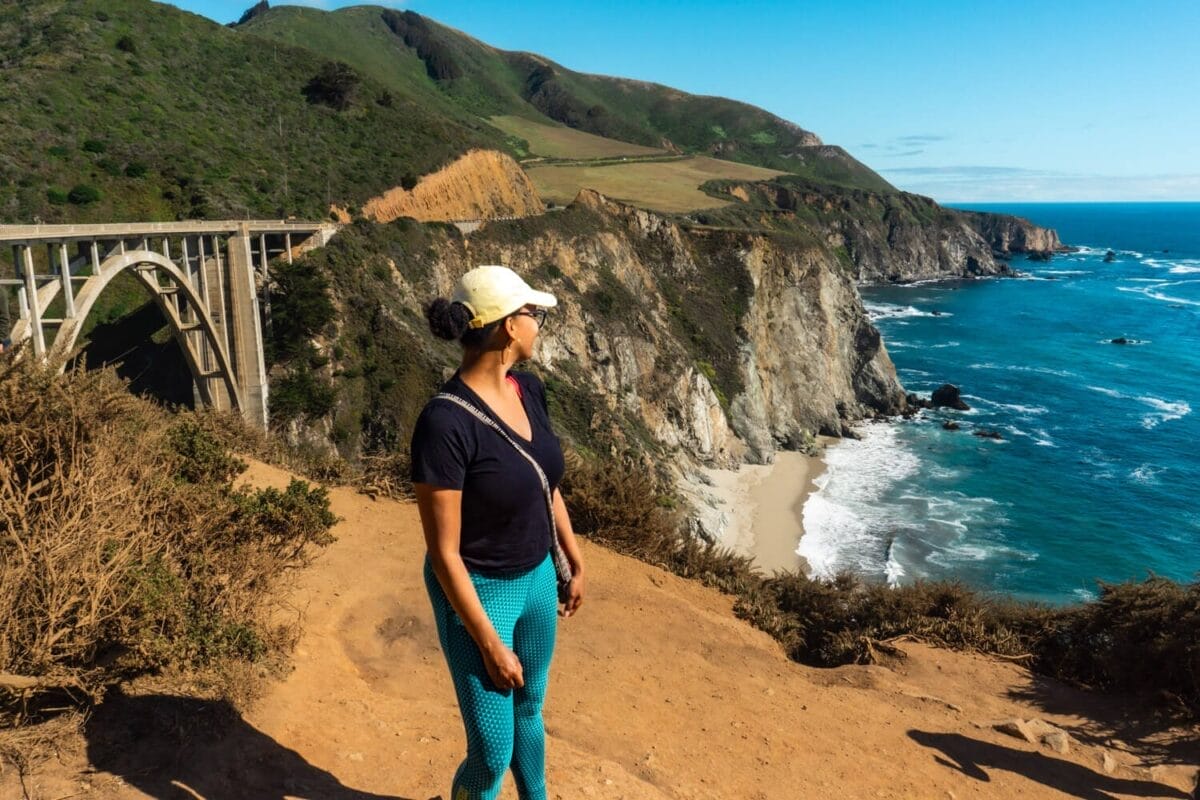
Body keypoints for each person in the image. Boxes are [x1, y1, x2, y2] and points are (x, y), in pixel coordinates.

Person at [410, 265, 585, 800]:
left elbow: (546, 483)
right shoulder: (444, 424)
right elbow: (443, 554)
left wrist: (573, 560)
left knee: (530, 709)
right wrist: (488, 642)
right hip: (479, 592)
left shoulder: (528, 389)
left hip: (535, 577)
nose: (539, 323)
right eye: (534, 314)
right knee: (490, 751)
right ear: (509, 326)